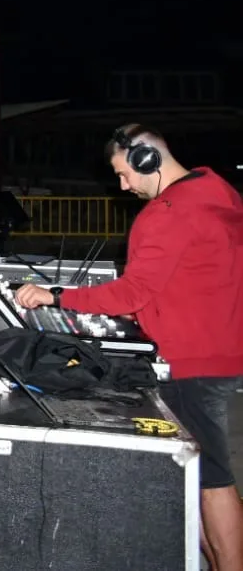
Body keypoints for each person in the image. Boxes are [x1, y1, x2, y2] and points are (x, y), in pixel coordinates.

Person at [14, 125, 243, 571]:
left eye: (124, 173)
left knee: (212, 478)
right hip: (219, 345)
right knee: (196, 474)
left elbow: (131, 293)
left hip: (190, 357)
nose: (123, 186)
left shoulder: (170, 211)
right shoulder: (217, 191)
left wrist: (55, 297)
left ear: (147, 160)